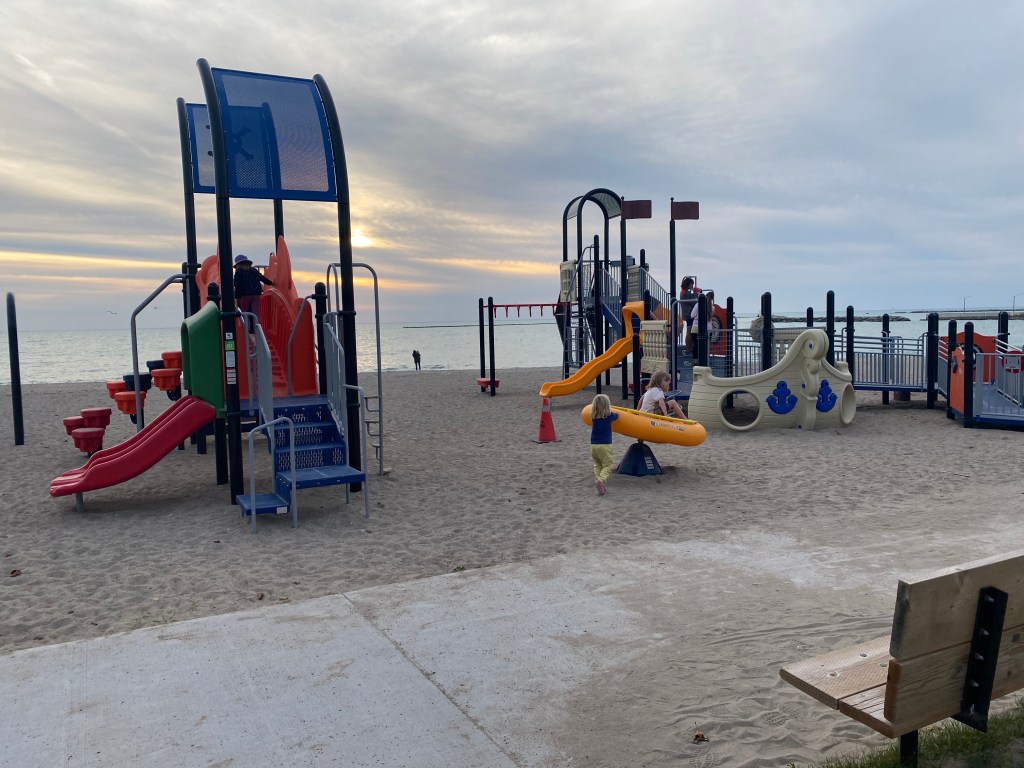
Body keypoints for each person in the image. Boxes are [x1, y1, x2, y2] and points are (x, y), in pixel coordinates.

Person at [590, 393, 618, 496]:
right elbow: (617, 415)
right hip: (604, 445)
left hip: (593, 446)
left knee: (597, 464)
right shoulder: (609, 417)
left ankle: (599, 482)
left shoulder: (593, 417)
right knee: (608, 465)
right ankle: (601, 480)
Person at [233, 254, 273, 325]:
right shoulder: (254, 270)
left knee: (244, 311)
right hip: (256, 293)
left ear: (238, 264)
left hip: (245, 294)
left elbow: (237, 283)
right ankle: (257, 327)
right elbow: (262, 278)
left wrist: (235, 292)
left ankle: (247, 327)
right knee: (256, 312)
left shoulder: (239, 271)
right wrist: (271, 283)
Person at [689, 290, 716, 356]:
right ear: (712, 299)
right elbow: (710, 317)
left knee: (696, 345)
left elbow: (692, 315)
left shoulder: (697, 305)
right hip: (708, 329)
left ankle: (696, 361)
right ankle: (705, 360)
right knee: (705, 346)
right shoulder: (712, 308)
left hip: (696, 327)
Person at [680, 277, 699, 354]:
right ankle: (688, 349)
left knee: (690, 331)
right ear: (688, 284)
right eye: (691, 284)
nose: (692, 286)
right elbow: (694, 302)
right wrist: (697, 294)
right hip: (689, 314)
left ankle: (689, 348)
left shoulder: (683, 292)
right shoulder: (687, 293)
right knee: (690, 332)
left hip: (687, 314)